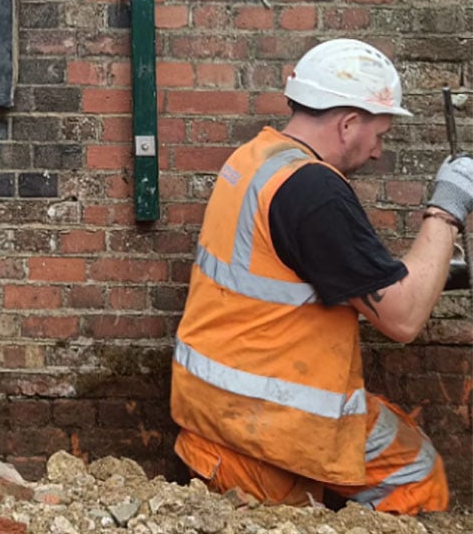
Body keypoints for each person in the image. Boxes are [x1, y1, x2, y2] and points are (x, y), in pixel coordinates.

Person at [170, 38, 473, 515]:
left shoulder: (255, 159)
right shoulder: (315, 192)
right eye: (379, 135)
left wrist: (430, 272)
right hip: (269, 430)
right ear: (348, 124)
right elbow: (403, 319)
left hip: (217, 411)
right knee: (414, 476)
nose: (377, 153)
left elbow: (307, 267)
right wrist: (447, 208)